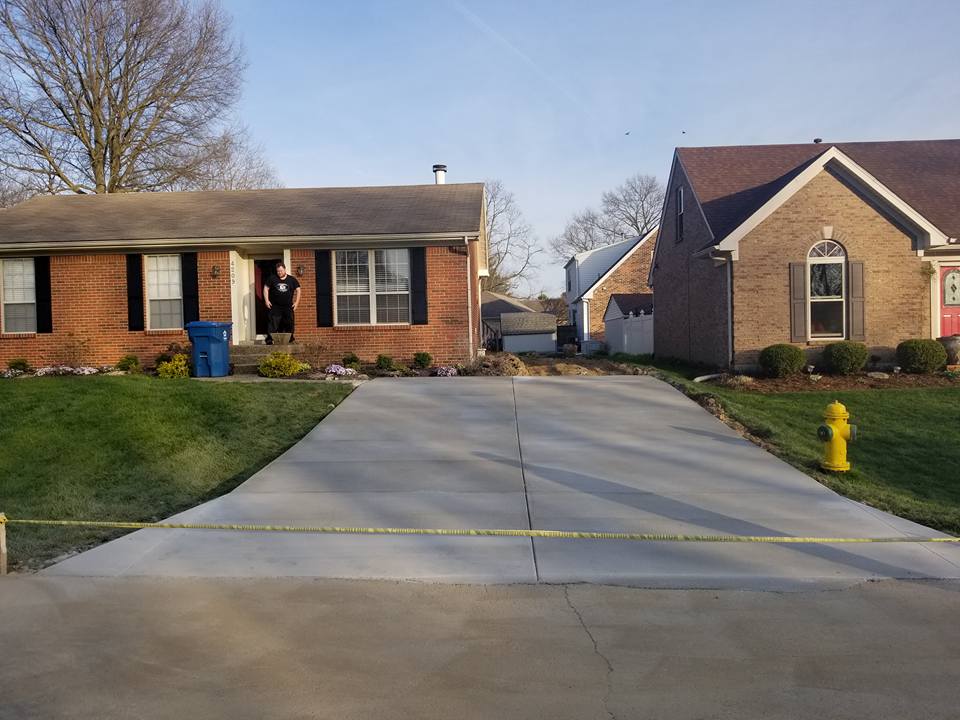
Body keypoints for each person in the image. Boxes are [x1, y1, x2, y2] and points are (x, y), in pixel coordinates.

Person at [263, 262, 301, 343]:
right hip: (275, 306)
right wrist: (267, 300)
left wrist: (296, 303)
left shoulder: (292, 279)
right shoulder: (272, 278)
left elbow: (298, 290)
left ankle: (290, 339)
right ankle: (269, 339)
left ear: (285, 269)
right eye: (278, 271)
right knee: (273, 323)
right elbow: (266, 288)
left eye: (281, 271)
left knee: (289, 323)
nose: (279, 273)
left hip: (288, 306)